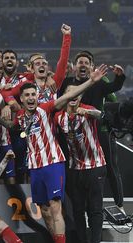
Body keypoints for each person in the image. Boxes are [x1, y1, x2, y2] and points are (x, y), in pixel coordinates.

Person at [0, 64, 107, 243]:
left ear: (37, 96)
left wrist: (90, 81)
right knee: (45, 211)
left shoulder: (46, 108)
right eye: (27, 95)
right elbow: (11, 124)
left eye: (33, 94)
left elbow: (69, 95)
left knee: (55, 207)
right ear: (22, 100)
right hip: (35, 167)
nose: (31, 98)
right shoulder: (21, 117)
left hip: (53, 163)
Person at [60, 51, 126, 212]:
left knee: (111, 167)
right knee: (73, 168)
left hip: (98, 131)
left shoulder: (98, 83)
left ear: (91, 67)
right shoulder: (67, 83)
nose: (83, 65)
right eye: (80, 62)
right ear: (75, 67)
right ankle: (76, 207)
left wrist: (119, 77)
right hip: (73, 134)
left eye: (86, 62)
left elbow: (114, 87)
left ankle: (120, 205)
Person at [55, 84, 107, 243]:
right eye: (69, 92)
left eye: (76, 93)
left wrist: (88, 112)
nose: (73, 95)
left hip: (95, 166)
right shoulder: (59, 117)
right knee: (77, 210)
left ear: (81, 96)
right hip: (74, 168)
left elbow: (102, 115)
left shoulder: (87, 110)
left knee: (95, 209)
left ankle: (95, 241)